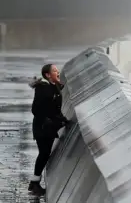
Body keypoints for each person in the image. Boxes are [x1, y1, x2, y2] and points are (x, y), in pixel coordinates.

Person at [28, 64, 69, 196]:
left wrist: (63, 119)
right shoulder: (43, 88)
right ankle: (34, 183)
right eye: (55, 71)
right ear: (47, 75)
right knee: (44, 153)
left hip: (49, 127)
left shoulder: (54, 86)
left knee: (45, 153)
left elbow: (55, 108)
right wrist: (46, 120)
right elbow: (35, 109)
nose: (58, 72)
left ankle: (34, 182)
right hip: (42, 127)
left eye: (57, 70)